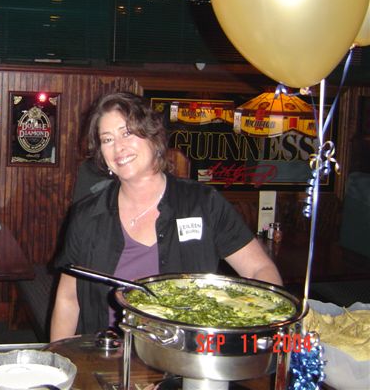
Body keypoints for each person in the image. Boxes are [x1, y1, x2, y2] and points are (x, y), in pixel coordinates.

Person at [50, 92, 282, 341]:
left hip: (185, 356)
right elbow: (68, 299)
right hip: (108, 353)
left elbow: (259, 269)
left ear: (153, 135)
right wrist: (58, 358)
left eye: (127, 133)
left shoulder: (202, 203)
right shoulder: (87, 215)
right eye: (107, 139)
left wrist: (251, 328)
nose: (118, 147)